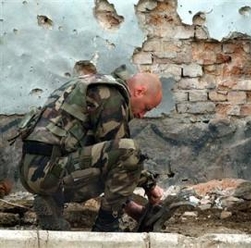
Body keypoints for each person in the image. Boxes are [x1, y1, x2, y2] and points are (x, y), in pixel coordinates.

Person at [17, 65, 164, 231]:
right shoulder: (111, 95)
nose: (142, 115)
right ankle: (106, 225)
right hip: (49, 171)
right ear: (139, 91)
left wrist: (130, 205)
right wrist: (150, 185)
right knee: (129, 152)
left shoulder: (91, 84)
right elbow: (122, 156)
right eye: (146, 108)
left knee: (114, 162)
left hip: (33, 171)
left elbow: (104, 154)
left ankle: (50, 201)